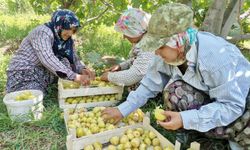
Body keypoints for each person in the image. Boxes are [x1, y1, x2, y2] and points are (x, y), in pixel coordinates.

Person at [102, 3, 250, 149]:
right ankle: (201, 128)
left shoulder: (215, 58)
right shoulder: (172, 53)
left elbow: (232, 105)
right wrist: (123, 109)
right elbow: (149, 84)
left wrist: (185, 118)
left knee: (240, 126)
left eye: (159, 47)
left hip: (240, 102)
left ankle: (228, 133)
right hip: (212, 95)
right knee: (174, 92)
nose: (156, 52)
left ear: (177, 42)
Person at [6, 9, 94, 93]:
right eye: (68, 28)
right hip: (24, 71)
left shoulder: (66, 39)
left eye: (73, 30)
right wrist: (74, 77)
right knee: (32, 95)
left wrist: (82, 69)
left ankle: (45, 85)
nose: (70, 33)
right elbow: (47, 58)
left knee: (65, 62)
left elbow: (74, 57)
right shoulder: (42, 32)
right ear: (60, 25)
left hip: (40, 71)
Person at [100, 8, 154, 87]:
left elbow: (134, 75)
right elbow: (136, 59)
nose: (124, 36)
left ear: (137, 31)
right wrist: (121, 66)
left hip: (149, 92)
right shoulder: (142, 41)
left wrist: (109, 76)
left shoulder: (149, 46)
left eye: (127, 32)